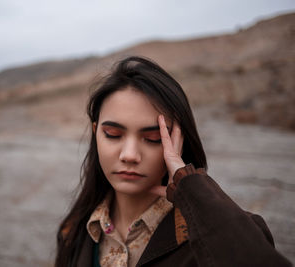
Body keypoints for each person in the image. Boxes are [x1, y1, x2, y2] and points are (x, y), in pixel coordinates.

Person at [55, 56, 291, 267]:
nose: (129, 154)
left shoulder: (216, 232)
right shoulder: (73, 232)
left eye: (153, 138)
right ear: (96, 133)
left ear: (178, 143)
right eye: (113, 135)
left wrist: (189, 187)